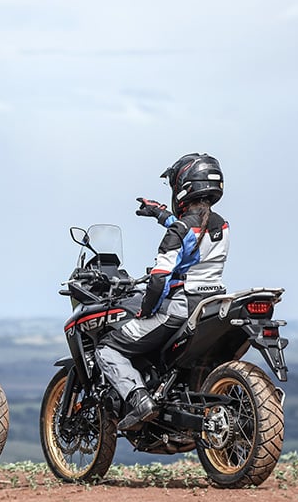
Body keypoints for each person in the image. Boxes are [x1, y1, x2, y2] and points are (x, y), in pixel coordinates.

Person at [95, 153, 229, 430]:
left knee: (107, 348)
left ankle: (140, 399)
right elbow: (193, 230)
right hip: (212, 302)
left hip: (180, 308)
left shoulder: (177, 233)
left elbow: (158, 279)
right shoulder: (222, 226)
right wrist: (160, 214)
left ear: (182, 187)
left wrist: (146, 309)